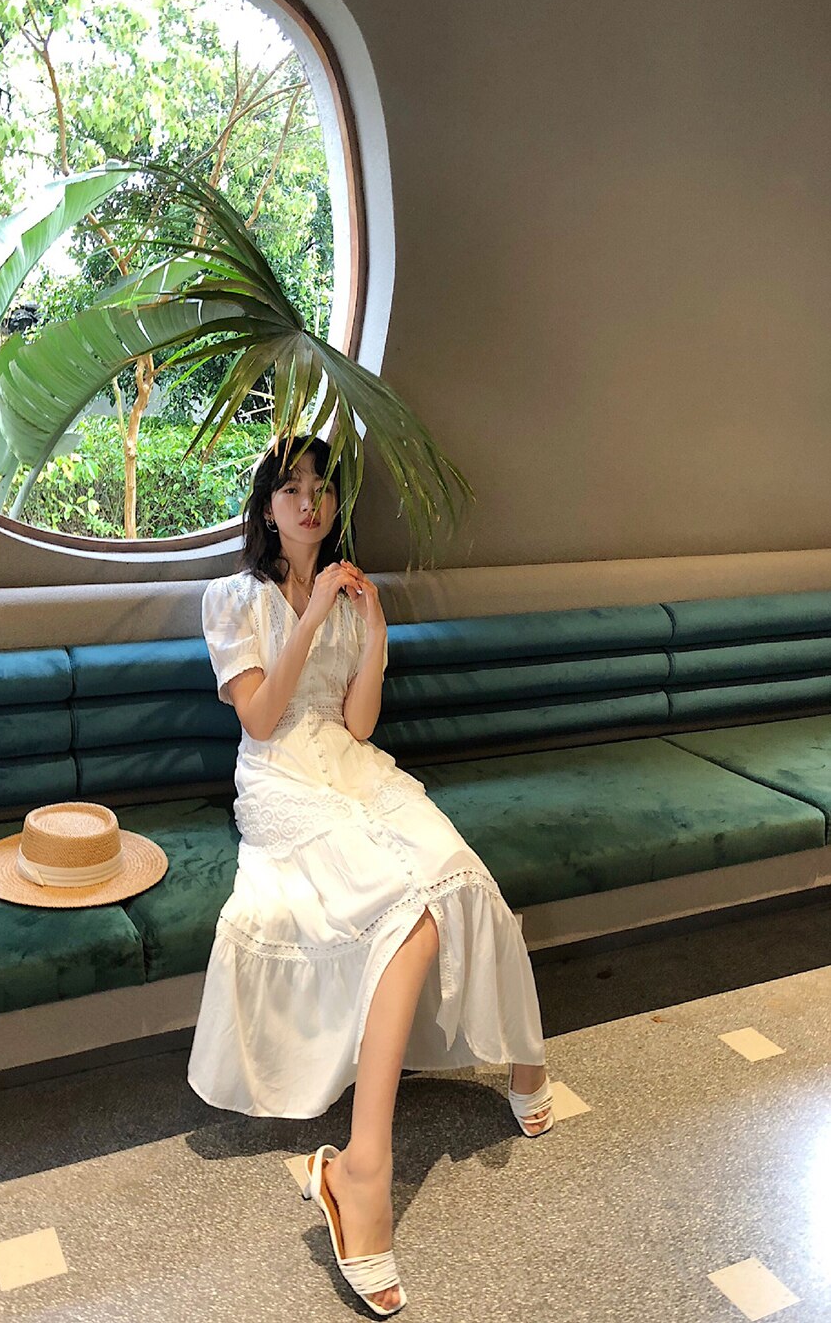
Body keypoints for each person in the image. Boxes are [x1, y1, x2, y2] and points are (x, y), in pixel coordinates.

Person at [187, 434, 554, 1316]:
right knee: (405, 911)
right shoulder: (231, 598)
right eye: (291, 488)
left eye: (321, 488)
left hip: (352, 769)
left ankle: (518, 1051)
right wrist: (311, 614)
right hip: (280, 782)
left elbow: (356, 725)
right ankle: (362, 1170)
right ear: (266, 506)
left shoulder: (353, 597)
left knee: (457, 874)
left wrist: (374, 630)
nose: (308, 501)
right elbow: (262, 720)